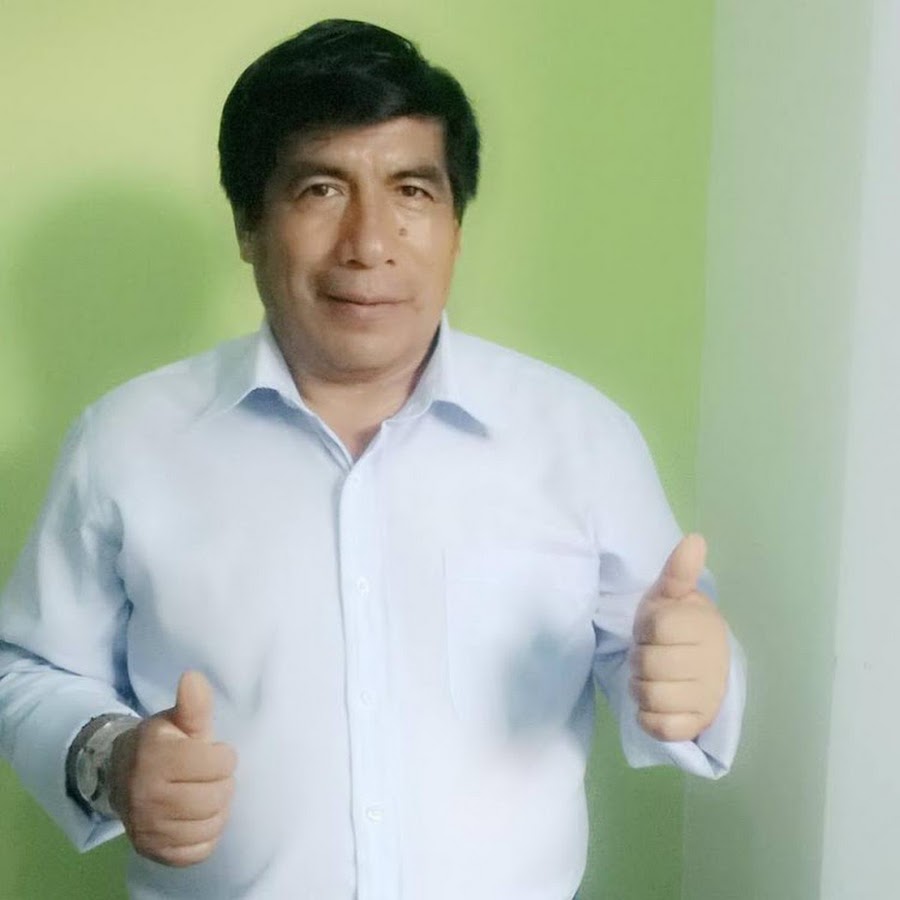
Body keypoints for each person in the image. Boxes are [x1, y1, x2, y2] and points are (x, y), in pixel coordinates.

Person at [0, 18, 745, 900]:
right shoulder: (125, 441)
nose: (370, 243)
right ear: (247, 223)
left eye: (412, 192)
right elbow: (29, 667)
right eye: (321, 189)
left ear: (456, 225)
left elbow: (660, 657)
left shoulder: (580, 437)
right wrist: (110, 757)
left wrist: (699, 679)